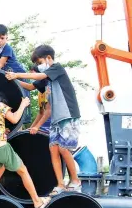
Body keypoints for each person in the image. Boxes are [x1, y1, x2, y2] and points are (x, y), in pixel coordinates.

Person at [6, 45, 82, 195]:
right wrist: (11, 78)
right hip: (56, 119)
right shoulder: (46, 80)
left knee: (63, 148)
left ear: (49, 58)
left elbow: (40, 76)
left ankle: (75, 181)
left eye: (40, 61)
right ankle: (60, 184)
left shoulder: (57, 68)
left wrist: (17, 74)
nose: (39, 66)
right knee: (53, 149)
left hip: (68, 114)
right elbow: (30, 86)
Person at [0, 89, 50, 208]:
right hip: (0, 148)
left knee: (1, 166)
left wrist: (3, 131)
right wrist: (23, 104)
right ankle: (37, 201)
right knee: (23, 170)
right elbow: (14, 119)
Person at [0, 24, 31, 124]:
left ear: (6, 38)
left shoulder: (7, 48)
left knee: (21, 100)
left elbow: (0, 65)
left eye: (2, 38)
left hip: (18, 75)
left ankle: (21, 124)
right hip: (7, 76)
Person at [17, 65, 52, 133]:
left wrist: (37, 126)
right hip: (42, 127)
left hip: (53, 126)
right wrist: (31, 128)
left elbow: (48, 111)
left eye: (32, 73)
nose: (32, 77)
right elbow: (41, 113)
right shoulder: (41, 93)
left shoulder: (49, 89)